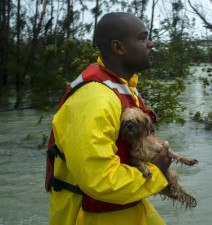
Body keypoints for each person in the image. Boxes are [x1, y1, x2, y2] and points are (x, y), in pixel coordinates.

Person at [45, 12, 172, 225]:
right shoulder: (94, 99)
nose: (150, 44)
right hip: (92, 218)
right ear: (118, 47)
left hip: (127, 211)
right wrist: (156, 171)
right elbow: (100, 180)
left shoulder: (123, 88)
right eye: (142, 38)